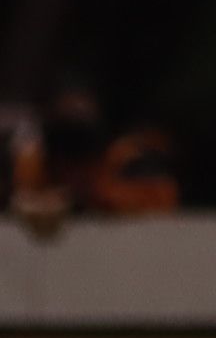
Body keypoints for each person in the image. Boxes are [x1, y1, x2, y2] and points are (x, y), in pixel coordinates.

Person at [8, 82, 181, 239]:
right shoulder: (32, 164)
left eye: (83, 161)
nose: (76, 173)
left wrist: (102, 198)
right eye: (68, 161)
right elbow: (19, 201)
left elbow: (164, 204)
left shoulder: (127, 161)